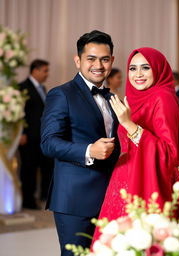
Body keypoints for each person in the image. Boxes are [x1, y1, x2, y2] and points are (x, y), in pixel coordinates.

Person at [93, 47, 179, 255]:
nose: (138, 74)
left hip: (151, 180)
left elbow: (169, 153)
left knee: (151, 242)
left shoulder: (163, 98)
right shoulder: (134, 99)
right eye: (133, 68)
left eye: (145, 68)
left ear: (158, 69)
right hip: (125, 180)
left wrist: (130, 125)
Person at [40, 30, 120, 255]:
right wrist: (89, 150)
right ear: (78, 61)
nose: (99, 65)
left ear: (112, 61)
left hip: (110, 198)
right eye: (91, 59)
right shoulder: (61, 94)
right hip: (74, 199)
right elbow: (48, 143)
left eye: (105, 59)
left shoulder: (113, 97)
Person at [18, 59, 54, 209]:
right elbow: (19, 114)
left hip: (42, 136)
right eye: (45, 71)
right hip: (29, 137)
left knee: (47, 167)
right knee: (29, 170)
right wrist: (22, 132)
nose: (47, 74)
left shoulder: (42, 88)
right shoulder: (22, 87)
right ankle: (28, 201)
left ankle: (44, 196)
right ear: (35, 70)